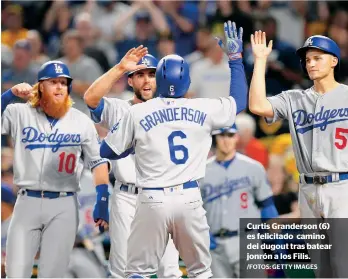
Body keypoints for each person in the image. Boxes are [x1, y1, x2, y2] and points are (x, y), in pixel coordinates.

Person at [100, 21, 248, 278]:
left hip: (151, 199)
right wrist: (235, 60)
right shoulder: (203, 107)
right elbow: (240, 101)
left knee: (138, 272)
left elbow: (106, 151)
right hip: (188, 198)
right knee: (200, 272)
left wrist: (131, 144)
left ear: (157, 79)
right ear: (187, 80)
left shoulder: (138, 112)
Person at [249, 31, 348, 277]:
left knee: (342, 263)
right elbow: (257, 105)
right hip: (307, 190)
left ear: (334, 61)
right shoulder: (294, 98)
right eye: (307, 59)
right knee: (321, 269)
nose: (310, 63)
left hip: (342, 186)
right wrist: (260, 60)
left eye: (317, 58)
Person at [1, 61, 110, 278]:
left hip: (64, 200)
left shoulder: (80, 120)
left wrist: (103, 197)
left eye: (64, 82)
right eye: (53, 82)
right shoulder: (20, 113)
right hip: (28, 198)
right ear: (40, 86)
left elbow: (98, 162)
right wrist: (9, 94)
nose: (60, 87)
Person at [84, 49, 181, 278]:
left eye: (152, 74)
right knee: (123, 271)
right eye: (140, 75)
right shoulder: (119, 108)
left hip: (164, 195)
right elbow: (90, 98)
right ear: (131, 80)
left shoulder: (173, 110)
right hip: (127, 197)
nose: (147, 80)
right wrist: (119, 68)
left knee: (169, 270)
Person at [202, 124, 276, 278]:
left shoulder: (253, 167)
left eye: (230, 135)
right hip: (215, 245)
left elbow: (267, 206)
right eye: (222, 136)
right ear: (214, 139)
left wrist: (276, 241)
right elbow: (193, 212)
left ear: (236, 137)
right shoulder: (201, 172)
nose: (226, 140)